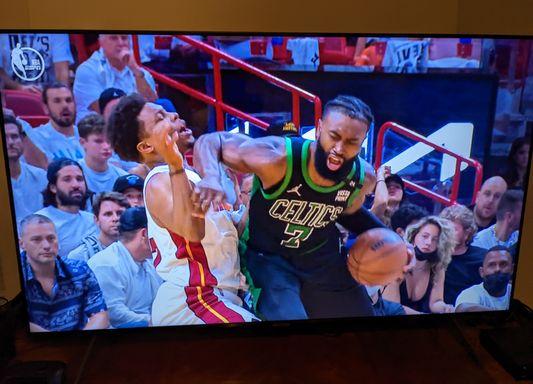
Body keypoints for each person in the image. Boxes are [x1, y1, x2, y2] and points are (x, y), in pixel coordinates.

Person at [193, 94, 413, 320]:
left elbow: (350, 214)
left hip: (319, 257)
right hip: (269, 257)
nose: (339, 148)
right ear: (319, 129)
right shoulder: (277, 158)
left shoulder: (362, 177)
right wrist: (210, 175)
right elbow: (212, 141)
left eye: (351, 142)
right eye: (334, 136)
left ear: (362, 141)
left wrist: (396, 245)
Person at [107, 94, 257, 325]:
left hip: (218, 296)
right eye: (161, 118)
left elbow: (229, 233)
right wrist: (176, 165)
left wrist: (255, 192)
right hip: (194, 299)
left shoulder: (191, 177)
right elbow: (192, 231)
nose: (173, 114)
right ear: (147, 145)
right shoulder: (159, 180)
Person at [19, 214, 109, 332]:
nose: (46, 246)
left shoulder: (79, 269)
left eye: (51, 238)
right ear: (22, 244)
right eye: (37, 239)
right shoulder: (15, 277)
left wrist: (75, 345)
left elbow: (101, 316)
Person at [88, 207, 163, 328]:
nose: (163, 240)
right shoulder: (105, 264)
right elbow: (114, 313)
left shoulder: (151, 262)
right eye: (159, 233)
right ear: (144, 234)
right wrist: (157, 321)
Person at [383, 216, 456, 314]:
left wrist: (445, 308)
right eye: (425, 236)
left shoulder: (436, 267)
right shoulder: (396, 262)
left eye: (435, 239)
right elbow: (392, 307)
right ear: (413, 237)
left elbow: (436, 302)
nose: (428, 242)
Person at [73, 34, 157, 119]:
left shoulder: (140, 72)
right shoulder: (87, 70)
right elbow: (104, 110)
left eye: (124, 38)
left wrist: (136, 71)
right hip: (98, 128)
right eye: (114, 38)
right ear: (101, 42)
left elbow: (152, 102)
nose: (121, 43)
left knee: (164, 104)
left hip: (132, 126)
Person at [35, 158, 97, 257]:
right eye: (67, 179)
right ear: (53, 187)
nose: (76, 185)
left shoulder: (92, 219)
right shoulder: (39, 222)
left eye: (79, 179)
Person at [4, 115, 48, 227]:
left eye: (14, 137)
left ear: (22, 140)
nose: (10, 142)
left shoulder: (41, 176)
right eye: (4, 137)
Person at [439, 204, 486, 305]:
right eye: (445, 228)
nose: (447, 233)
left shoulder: (482, 258)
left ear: (467, 233)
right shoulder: (434, 256)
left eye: (453, 229)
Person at [27, 83, 85, 163]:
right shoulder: (36, 139)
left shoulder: (87, 134)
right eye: (57, 101)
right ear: (46, 108)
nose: (65, 105)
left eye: (68, 100)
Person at [68, 192, 130, 261]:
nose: (115, 218)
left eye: (120, 213)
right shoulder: (80, 256)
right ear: (96, 220)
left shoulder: (139, 249)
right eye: (108, 214)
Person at [0, 33, 73, 91]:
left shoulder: (57, 30)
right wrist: (19, 88)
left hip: (49, 92)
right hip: (11, 92)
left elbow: (62, 73)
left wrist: (60, 93)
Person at [77, 114, 127, 194]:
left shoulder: (122, 177)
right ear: (83, 142)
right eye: (98, 141)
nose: (106, 146)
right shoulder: (72, 174)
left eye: (109, 140)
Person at [455, 246, 513, 312]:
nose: (497, 269)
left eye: (503, 264)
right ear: (481, 272)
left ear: (512, 269)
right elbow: (463, 309)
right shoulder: (471, 293)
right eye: (492, 265)